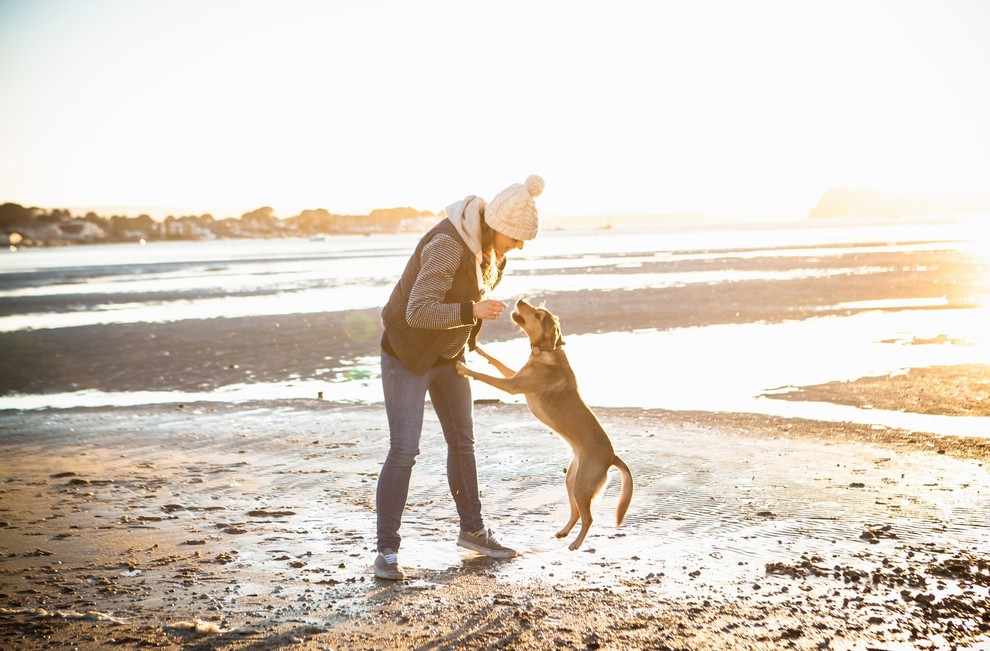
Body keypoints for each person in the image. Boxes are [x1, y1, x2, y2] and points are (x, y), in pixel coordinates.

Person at [373, 174, 545, 580]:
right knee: (404, 450)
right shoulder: (447, 245)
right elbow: (418, 311)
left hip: (449, 356)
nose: (518, 247)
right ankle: (386, 552)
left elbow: (469, 302)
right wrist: (471, 311)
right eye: (516, 238)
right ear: (496, 227)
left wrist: (468, 332)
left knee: (463, 444)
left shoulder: (491, 254)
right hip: (407, 355)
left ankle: (473, 532)